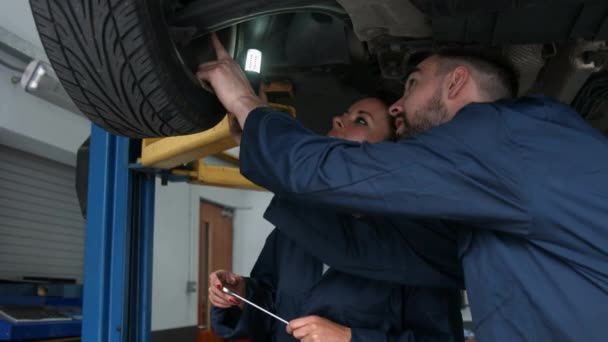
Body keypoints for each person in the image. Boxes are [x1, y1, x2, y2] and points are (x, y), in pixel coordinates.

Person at [197, 33, 608, 341]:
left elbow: (330, 172)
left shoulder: (497, 137)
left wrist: (248, 106)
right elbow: (368, 249)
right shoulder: (489, 202)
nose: (398, 106)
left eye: (412, 84)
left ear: (455, 83)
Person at [208, 97, 464, 342]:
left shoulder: (418, 248)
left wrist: (350, 338)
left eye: (361, 121)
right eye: (346, 113)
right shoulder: (294, 229)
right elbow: (270, 301)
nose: (338, 120)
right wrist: (242, 294)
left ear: (387, 157)